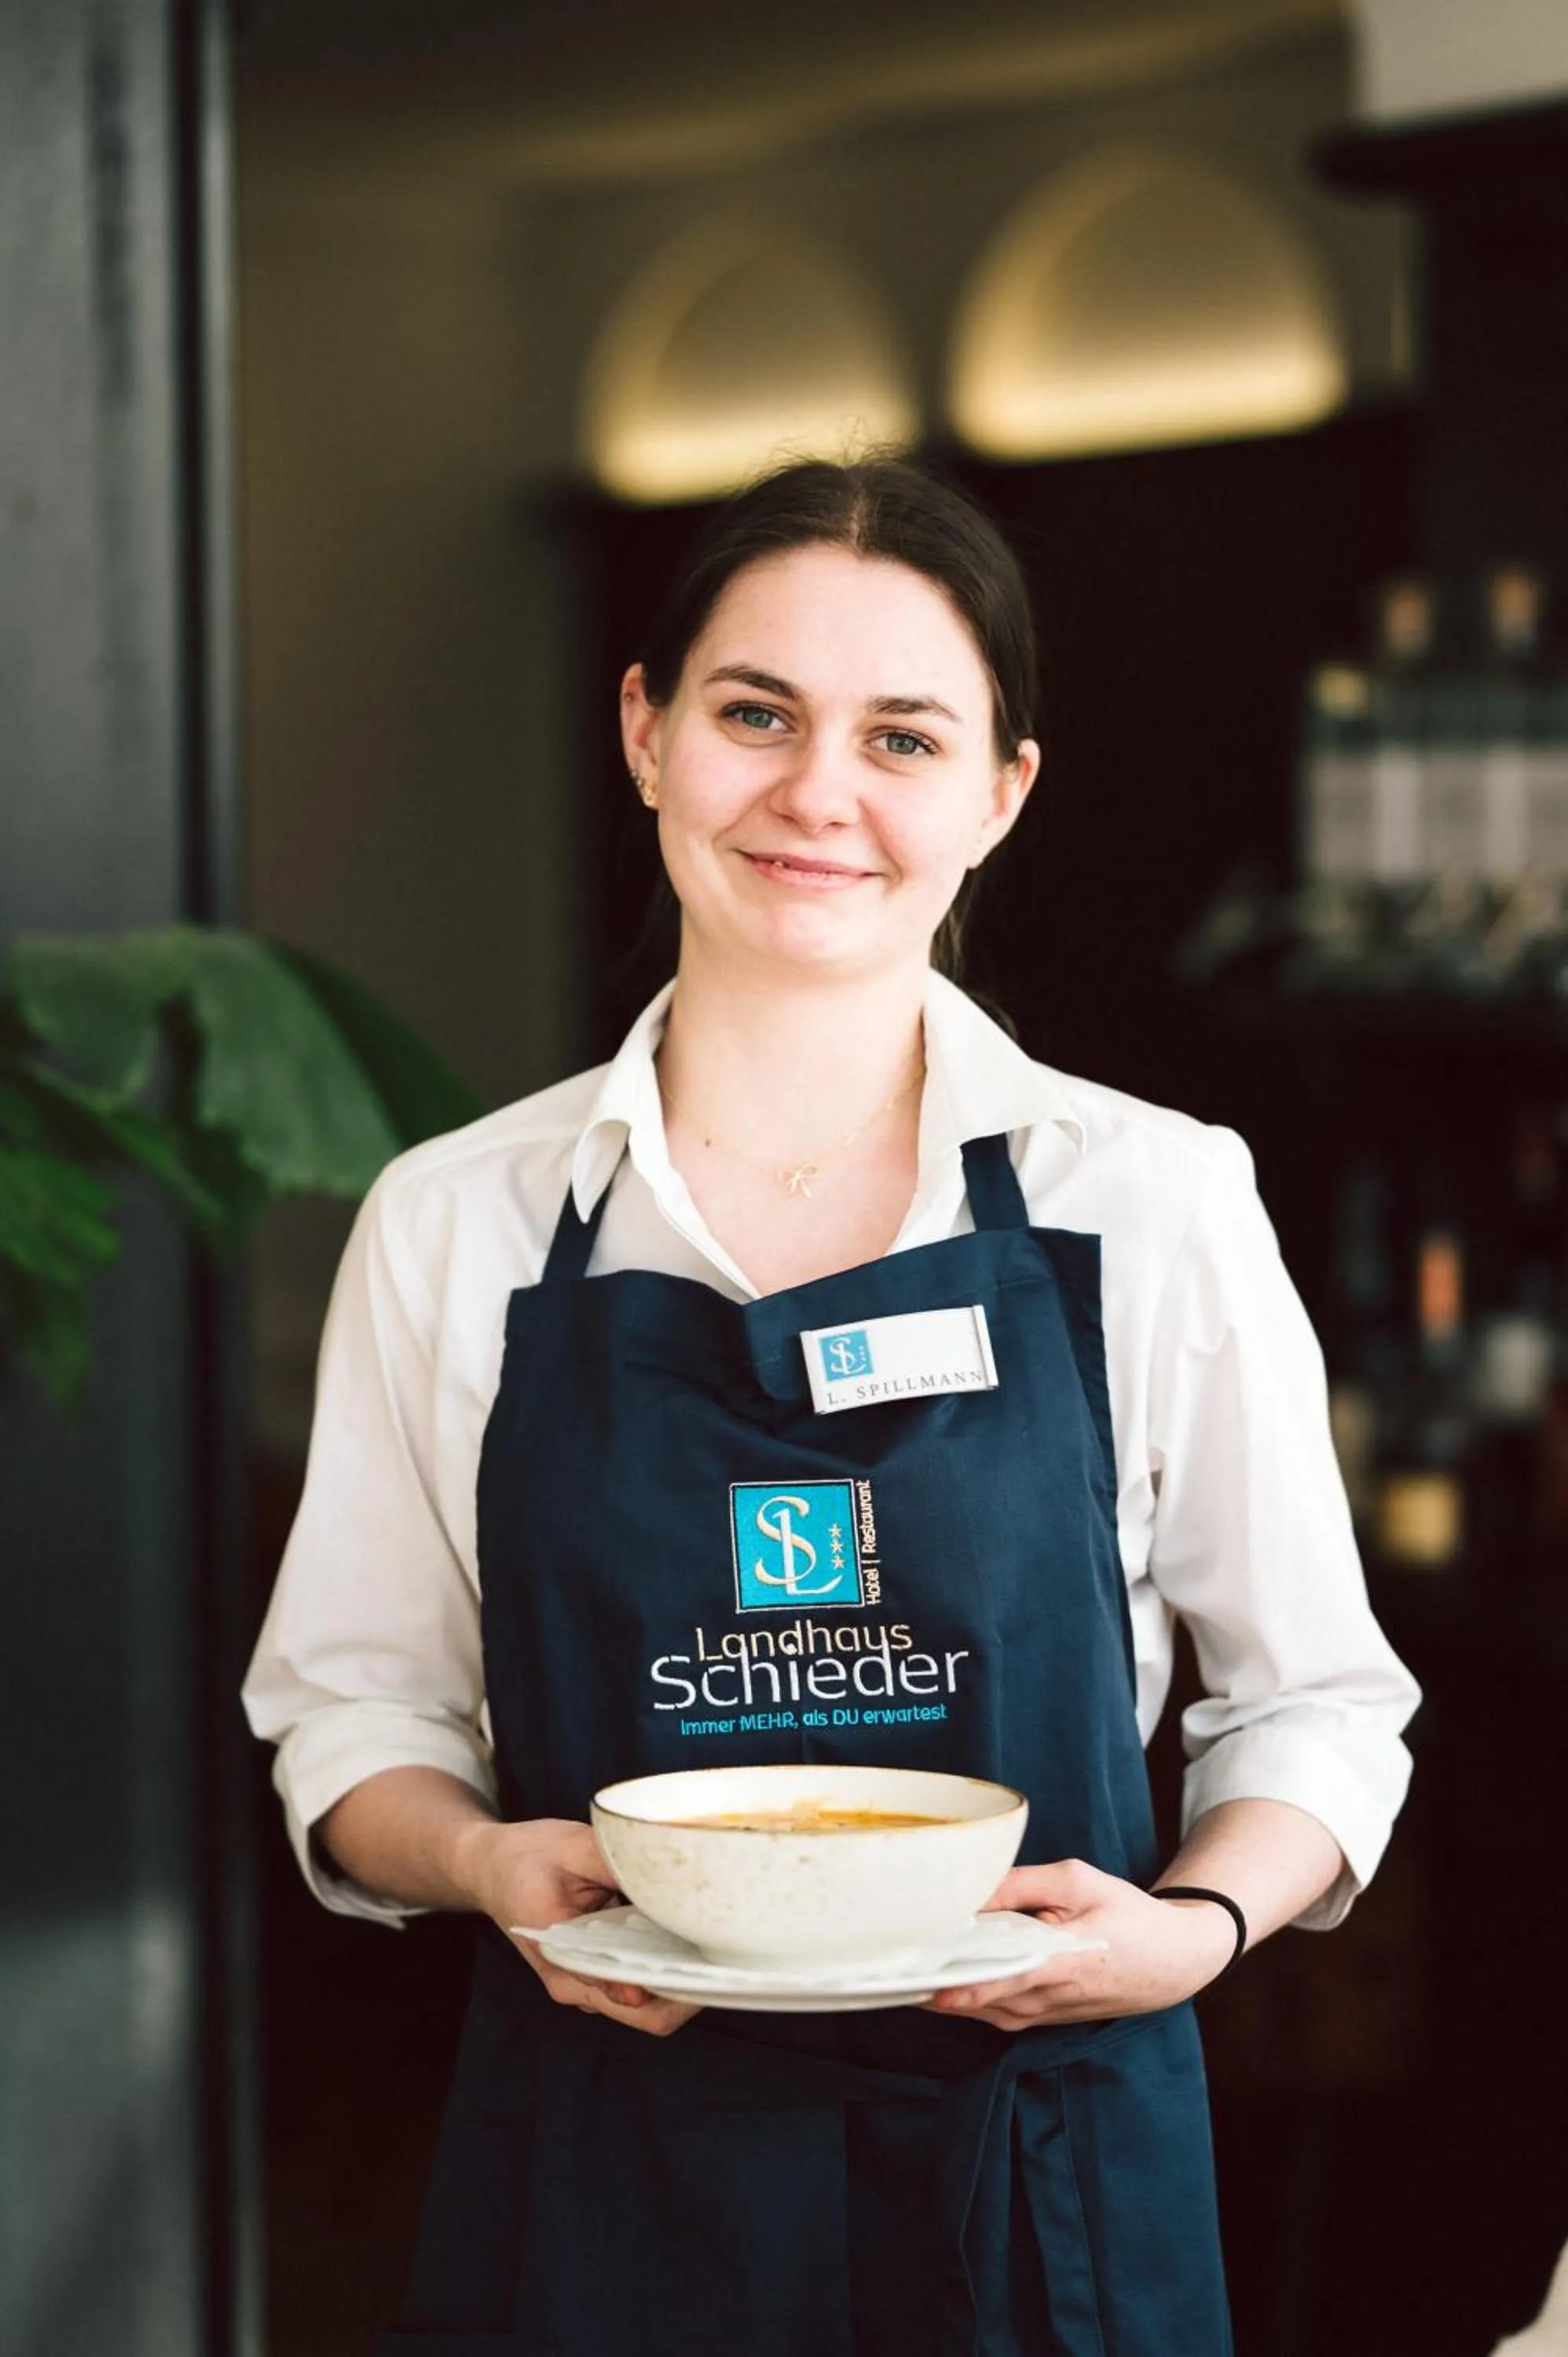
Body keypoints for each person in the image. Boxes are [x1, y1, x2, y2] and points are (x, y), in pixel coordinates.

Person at [244, 456, 1420, 2356]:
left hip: (1039, 2174)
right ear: (643, 733)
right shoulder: (459, 1221)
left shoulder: (1151, 1196)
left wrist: (1188, 1929)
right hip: (603, 2164)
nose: (817, 795)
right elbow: (350, 1702)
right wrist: (476, 1861)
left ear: (997, 797)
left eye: (902, 736)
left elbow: (1317, 1702)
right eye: (752, 713)